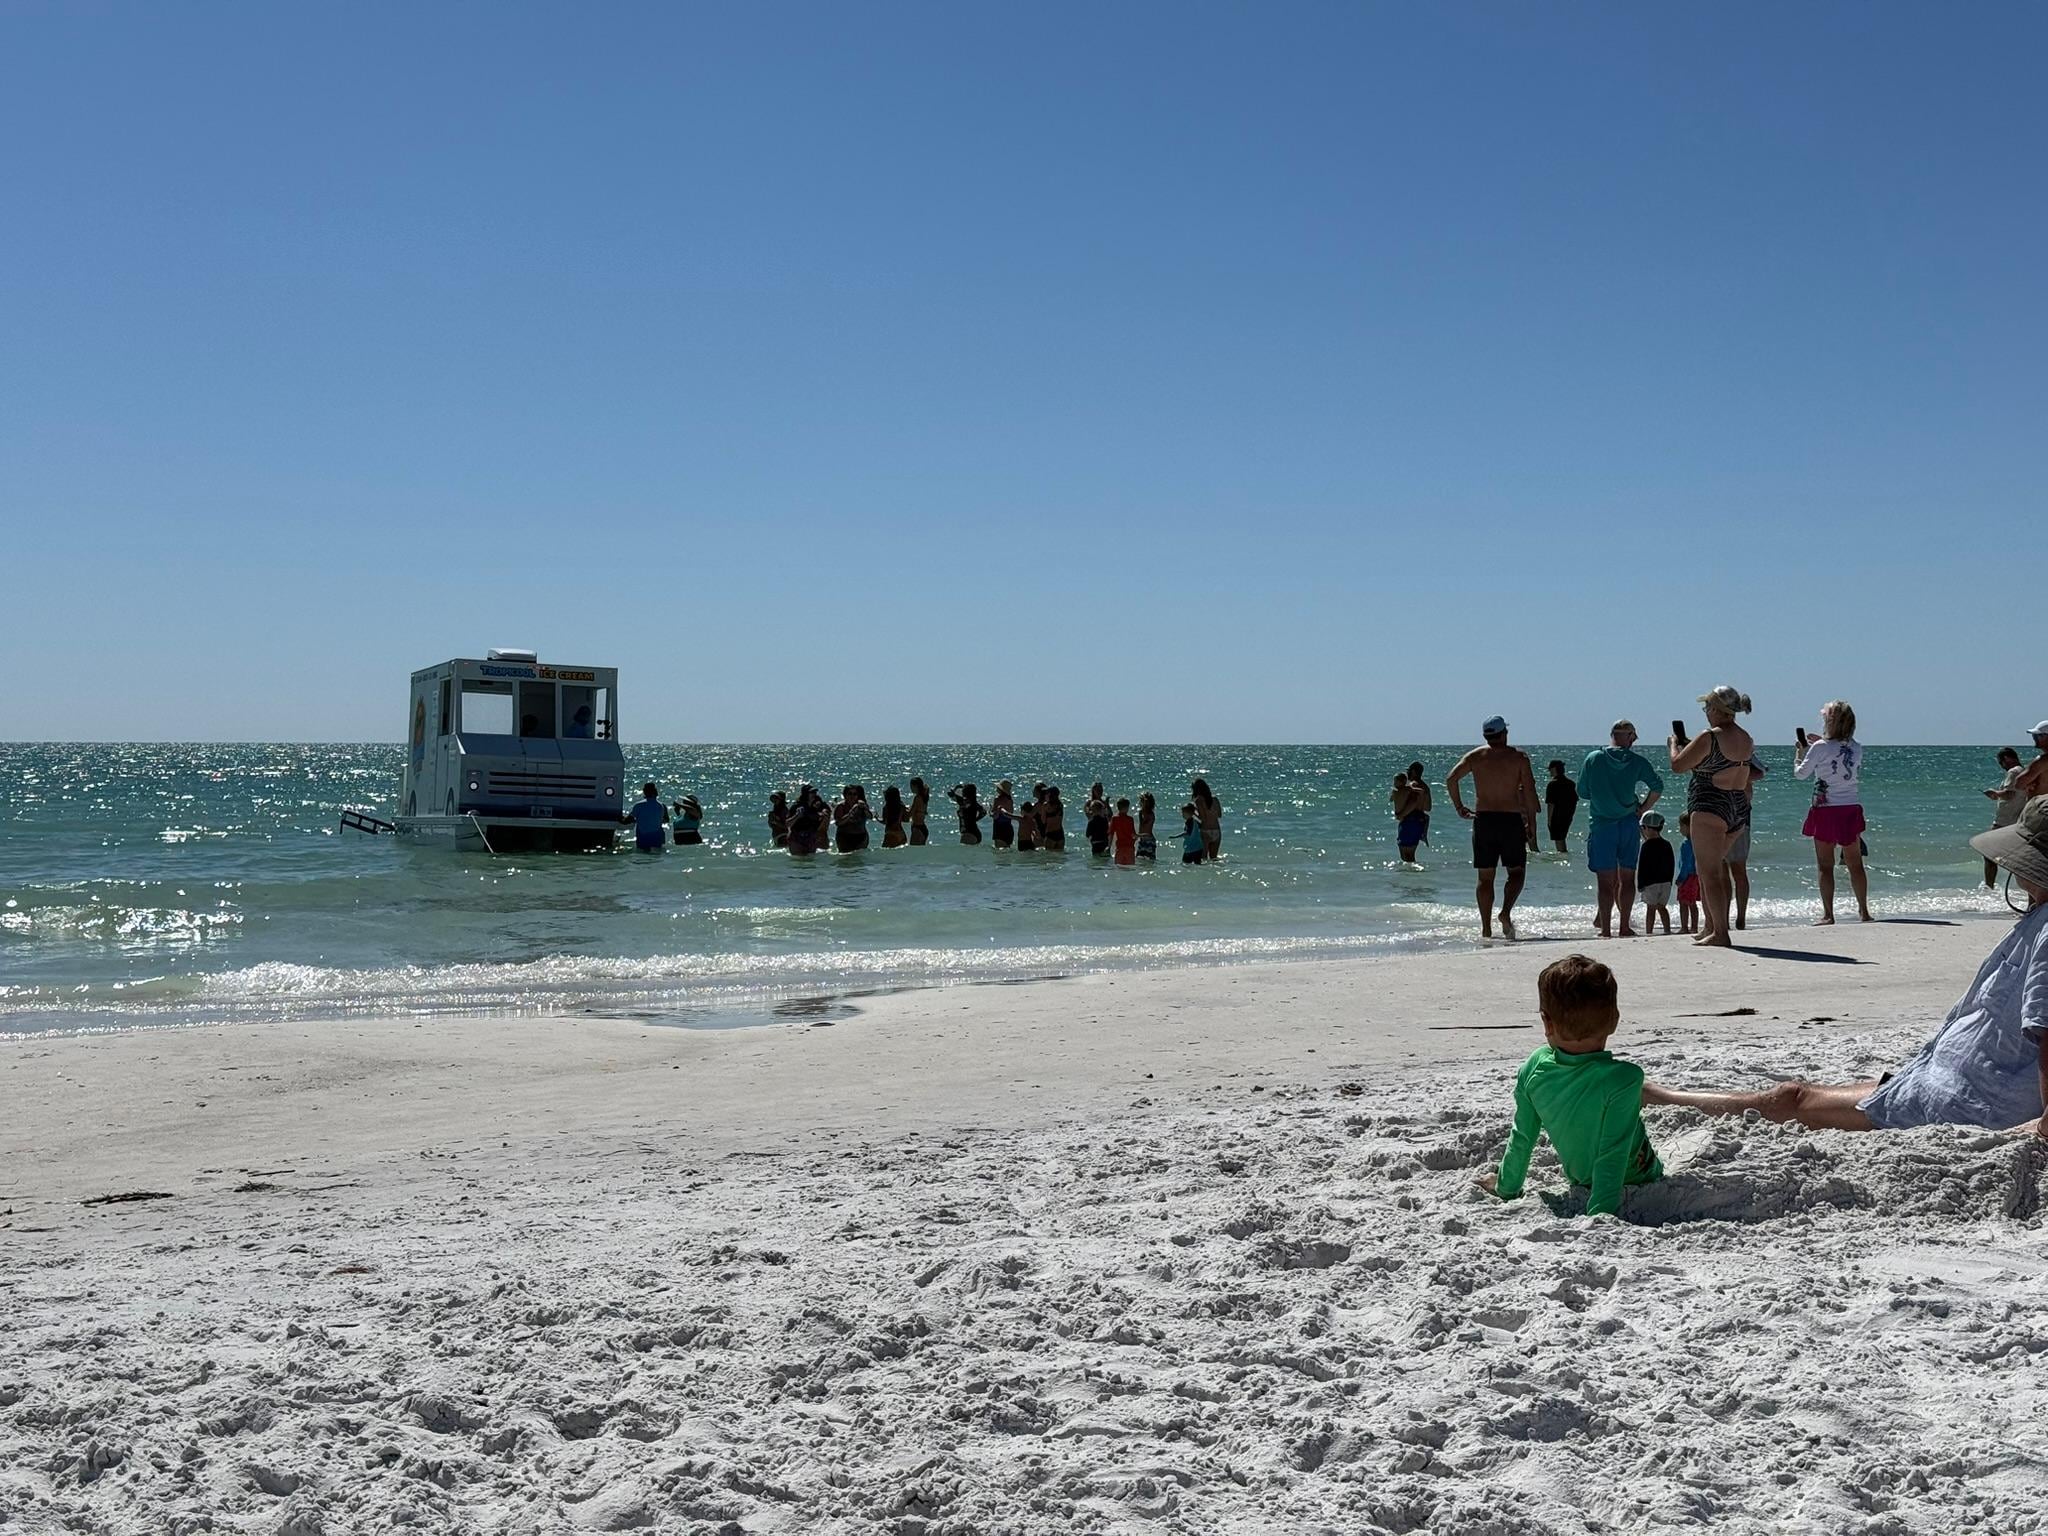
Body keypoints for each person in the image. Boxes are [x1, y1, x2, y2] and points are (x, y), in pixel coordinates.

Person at [1644, 798, 2048, 1135]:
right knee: (1813, 1094)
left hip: (1968, 1100)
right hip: (1959, 1080)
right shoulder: (2040, 915)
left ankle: (1665, 1099)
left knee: (1795, 1098)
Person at [1482, 954, 1662, 1218]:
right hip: (1640, 1175)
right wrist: (1600, 1216)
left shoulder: (1533, 1068)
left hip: (1581, 1178)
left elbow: (1523, 1136)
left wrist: (1505, 1187)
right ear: (1615, 1019)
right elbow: (1613, 1152)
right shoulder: (1625, 1078)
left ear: (1547, 1023)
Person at [1669, 686, 1755, 949]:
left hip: (1710, 805)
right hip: (1738, 806)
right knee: (1714, 868)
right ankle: (1710, 925)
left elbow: (1678, 766)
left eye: (1707, 707)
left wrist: (1673, 746)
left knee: (1709, 872)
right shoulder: (1746, 738)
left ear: (1718, 709)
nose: (1706, 712)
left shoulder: (1710, 736)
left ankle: (1720, 932)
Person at [1445, 716, 1540, 940]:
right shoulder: (1519, 757)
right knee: (1516, 872)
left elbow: (1451, 779)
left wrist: (1459, 807)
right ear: (1504, 734)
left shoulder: (1476, 756)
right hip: (1510, 819)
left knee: (1485, 878)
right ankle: (1505, 912)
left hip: (1484, 819)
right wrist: (1532, 825)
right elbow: (1528, 793)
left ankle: (1486, 929)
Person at [1575, 722, 1664, 940]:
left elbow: (1582, 791)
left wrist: (1603, 794)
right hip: (1628, 823)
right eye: (1633, 736)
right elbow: (1657, 787)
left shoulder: (1594, 758)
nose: (1634, 741)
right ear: (1626, 736)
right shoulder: (1636, 761)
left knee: (1604, 882)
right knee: (1627, 878)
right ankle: (1624, 926)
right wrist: (1643, 807)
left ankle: (1606, 929)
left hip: (1602, 824)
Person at [1794, 700, 1870, 925]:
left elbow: (1801, 774)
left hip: (1826, 809)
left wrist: (1799, 755)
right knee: (1855, 864)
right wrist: (1822, 744)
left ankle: (1828, 914)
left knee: (1825, 866)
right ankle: (1864, 911)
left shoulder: (1820, 748)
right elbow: (1839, 758)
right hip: (1850, 807)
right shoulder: (1856, 747)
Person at [1724, 757, 1766, 931]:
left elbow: (1760, 772)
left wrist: (1738, 773)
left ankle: (1741, 917)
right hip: (1718, 813)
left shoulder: (1744, 752)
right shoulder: (1713, 746)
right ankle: (1722, 918)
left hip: (1739, 817)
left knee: (1738, 870)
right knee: (1720, 871)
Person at [1986, 747, 2028, 888]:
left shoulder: (2013, 771)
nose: (2001, 766)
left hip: (2004, 822)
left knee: (1988, 854)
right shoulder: (2023, 771)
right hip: (2016, 821)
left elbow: (2009, 794)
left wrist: (1995, 793)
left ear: (2007, 759)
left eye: (2001, 762)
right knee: (2018, 859)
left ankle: (1988, 889)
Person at [1636, 811, 1675, 935]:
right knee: (1662, 907)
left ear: (1646, 828)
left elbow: (1642, 866)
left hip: (1650, 883)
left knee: (1651, 908)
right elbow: (1671, 864)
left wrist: (1640, 884)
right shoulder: (1667, 844)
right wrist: (1670, 881)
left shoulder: (1646, 846)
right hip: (1665, 882)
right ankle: (1667, 930)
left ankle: (1649, 931)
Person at [1393, 767, 1431, 864]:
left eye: (1408, 771)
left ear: (1413, 772)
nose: (1407, 773)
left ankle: (1407, 877)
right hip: (1420, 820)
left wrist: (1401, 815)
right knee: (1411, 856)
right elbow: (1428, 808)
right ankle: (1414, 877)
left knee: (1404, 854)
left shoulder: (1412, 786)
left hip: (1409, 820)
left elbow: (1413, 802)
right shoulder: (1425, 787)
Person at [1544, 761, 1579, 854]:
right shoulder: (1571, 784)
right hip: (1567, 814)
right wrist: (1571, 815)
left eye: (1550, 770)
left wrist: (1549, 820)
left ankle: (1563, 856)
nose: (1550, 772)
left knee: (1559, 840)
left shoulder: (1552, 784)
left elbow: (1551, 804)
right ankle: (1564, 855)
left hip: (1557, 815)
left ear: (1554, 769)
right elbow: (1574, 801)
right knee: (1561, 838)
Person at [624, 782, 667, 853]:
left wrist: (619, 818)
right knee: (656, 857)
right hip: (657, 837)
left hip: (643, 837)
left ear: (644, 792)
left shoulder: (638, 805)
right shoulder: (661, 806)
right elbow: (661, 820)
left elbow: (627, 820)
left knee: (643, 855)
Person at [1676, 813, 1701, 935]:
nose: (1680, 829)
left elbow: (1685, 863)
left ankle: (1684, 927)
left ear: (1688, 826)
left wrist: (1681, 878)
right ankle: (1694, 927)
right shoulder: (1697, 842)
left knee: (1683, 902)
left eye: (1681, 826)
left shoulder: (1686, 844)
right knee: (1692, 903)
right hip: (1696, 876)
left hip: (1687, 876)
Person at [834, 785, 875, 852]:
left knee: (859, 858)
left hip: (861, 836)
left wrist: (865, 808)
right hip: (844, 837)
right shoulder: (841, 806)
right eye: (850, 794)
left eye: (855, 794)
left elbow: (870, 817)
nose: (852, 796)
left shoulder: (861, 805)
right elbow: (839, 823)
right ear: (845, 795)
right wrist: (851, 812)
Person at [1192, 779, 1223, 861]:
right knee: (1214, 859)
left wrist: (1193, 814)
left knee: (1203, 859)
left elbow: (1203, 818)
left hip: (1206, 831)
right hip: (1217, 831)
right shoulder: (1215, 799)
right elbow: (1219, 815)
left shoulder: (1199, 800)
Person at [2018, 723, 2048, 805]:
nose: (2034, 738)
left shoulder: (2043, 760)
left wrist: (2029, 783)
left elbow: (2019, 783)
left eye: (2037, 735)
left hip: (2041, 808)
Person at [1084, 783, 1113, 857]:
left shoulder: (1104, 803)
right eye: (1098, 790)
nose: (1100, 792)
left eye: (1101, 790)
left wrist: (1108, 805)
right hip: (1094, 831)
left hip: (1103, 831)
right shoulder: (1089, 803)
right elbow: (1088, 814)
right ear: (1093, 791)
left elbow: (1110, 817)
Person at [1110, 798, 1137, 867]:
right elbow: (1133, 834)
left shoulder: (1114, 819)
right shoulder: (1130, 819)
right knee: (1130, 868)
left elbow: (1111, 833)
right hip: (1129, 847)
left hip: (1120, 847)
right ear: (1126, 807)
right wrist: (1136, 839)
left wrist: (1109, 846)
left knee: (1119, 868)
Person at [989, 781, 1017, 849]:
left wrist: (990, 811)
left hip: (999, 829)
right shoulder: (1010, 800)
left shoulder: (997, 800)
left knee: (999, 854)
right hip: (1008, 828)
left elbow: (995, 816)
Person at [1040, 785, 1067, 851]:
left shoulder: (1045, 806)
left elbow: (1043, 821)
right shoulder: (1060, 805)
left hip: (1050, 833)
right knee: (1059, 857)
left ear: (1049, 794)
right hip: (1060, 833)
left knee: (1050, 858)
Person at [907, 778, 932, 847]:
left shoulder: (917, 798)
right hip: (922, 828)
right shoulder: (924, 797)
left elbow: (910, 813)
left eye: (911, 786)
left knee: (913, 853)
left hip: (917, 828)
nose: (911, 788)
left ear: (916, 786)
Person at [1137, 793, 1158, 861]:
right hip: (1142, 839)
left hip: (1149, 839)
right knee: (1139, 859)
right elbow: (1141, 827)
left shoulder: (1151, 814)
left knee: (1150, 860)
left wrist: (1138, 835)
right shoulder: (1141, 813)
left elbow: (1147, 828)